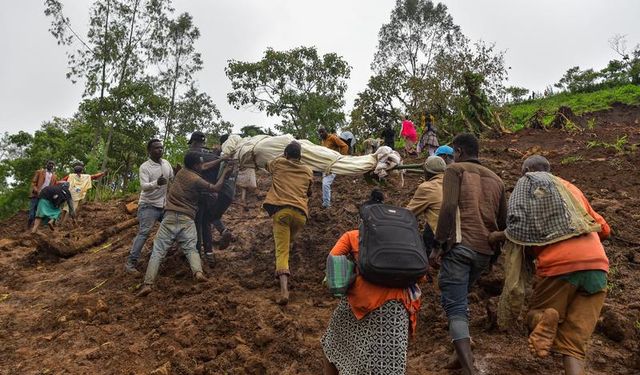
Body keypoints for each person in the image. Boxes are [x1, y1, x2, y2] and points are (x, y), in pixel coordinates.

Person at [489, 156, 610, 375]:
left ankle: (544, 318)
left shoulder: (527, 188)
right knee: (573, 347)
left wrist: (495, 236)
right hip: (597, 266)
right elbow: (604, 229)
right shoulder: (569, 188)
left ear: (525, 172)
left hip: (559, 266)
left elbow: (516, 229)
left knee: (536, 312)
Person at [321, 189, 422, 375]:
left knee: (333, 343)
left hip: (359, 301)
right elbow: (421, 274)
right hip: (397, 308)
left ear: (363, 219)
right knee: (387, 363)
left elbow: (333, 261)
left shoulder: (353, 235)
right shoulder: (406, 240)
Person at [431, 133, 507, 375]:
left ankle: (469, 368)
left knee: (454, 306)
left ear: (459, 151)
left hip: (460, 246)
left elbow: (449, 206)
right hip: (484, 251)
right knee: (461, 298)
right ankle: (459, 353)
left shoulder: (455, 170)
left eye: (453, 153)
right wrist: (495, 255)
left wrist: (438, 244)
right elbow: (503, 221)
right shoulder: (497, 180)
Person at [136, 152, 233, 297]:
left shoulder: (181, 172)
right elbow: (215, 188)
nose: (203, 165)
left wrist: (221, 159)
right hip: (186, 219)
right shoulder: (196, 180)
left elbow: (205, 165)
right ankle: (198, 273)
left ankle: (147, 284)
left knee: (158, 252)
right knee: (191, 249)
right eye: (200, 163)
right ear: (195, 166)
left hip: (169, 216)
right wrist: (225, 172)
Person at [262, 141, 313, 305]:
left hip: (282, 213)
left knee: (281, 251)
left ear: (285, 154)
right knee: (286, 244)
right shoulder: (308, 170)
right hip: (300, 216)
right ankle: (282, 266)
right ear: (300, 156)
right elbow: (309, 191)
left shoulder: (278, 163)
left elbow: (266, 164)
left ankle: (284, 291)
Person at [124, 139, 175, 274]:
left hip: (163, 206)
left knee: (173, 228)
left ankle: (160, 257)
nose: (160, 150)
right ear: (149, 151)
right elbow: (144, 187)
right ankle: (131, 263)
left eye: (161, 148)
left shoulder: (166, 164)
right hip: (148, 206)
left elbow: (172, 178)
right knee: (144, 232)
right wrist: (156, 183)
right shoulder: (145, 167)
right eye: (157, 148)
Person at [187, 131, 231, 267]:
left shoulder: (191, 155)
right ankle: (209, 253)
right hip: (212, 193)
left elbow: (201, 168)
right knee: (206, 222)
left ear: (193, 142)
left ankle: (198, 254)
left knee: (197, 224)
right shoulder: (213, 154)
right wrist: (219, 157)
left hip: (198, 194)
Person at [406, 156, 446, 252]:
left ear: (426, 172)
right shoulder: (453, 182)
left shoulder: (427, 187)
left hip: (444, 238)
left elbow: (408, 213)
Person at [318, 127, 348, 209]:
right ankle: (326, 203)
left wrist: (342, 158)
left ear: (326, 131)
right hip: (326, 165)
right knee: (325, 184)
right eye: (319, 133)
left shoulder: (333, 138)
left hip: (334, 164)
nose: (321, 134)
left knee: (325, 184)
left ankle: (326, 204)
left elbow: (344, 146)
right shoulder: (322, 141)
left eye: (322, 132)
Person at [28, 160, 58, 229]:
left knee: (40, 212)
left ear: (54, 167)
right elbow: (33, 182)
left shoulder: (54, 176)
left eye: (52, 164)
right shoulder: (40, 172)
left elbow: (53, 187)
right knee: (32, 212)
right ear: (46, 165)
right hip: (35, 195)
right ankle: (29, 224)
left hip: (45, 196)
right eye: (49, 164)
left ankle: (35, 227)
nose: (51, 165)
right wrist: (36, 190)